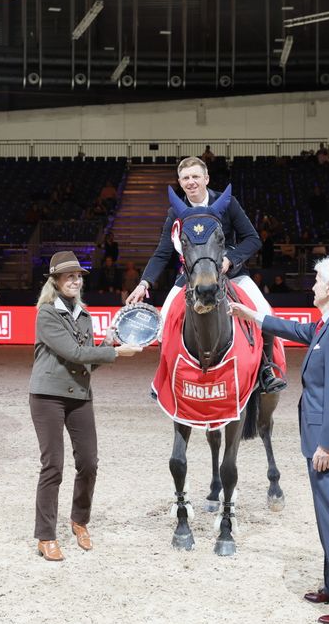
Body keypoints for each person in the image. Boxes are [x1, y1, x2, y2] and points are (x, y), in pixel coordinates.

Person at [229, 255, 329, 624]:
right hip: (321, 437)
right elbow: (295, 330)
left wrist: (327, 444)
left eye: (315, 280)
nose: (311, 286)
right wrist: (252, 316)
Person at [125, 156, 285, 392]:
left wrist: (230, 260)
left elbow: (252, 239)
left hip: (232, 275)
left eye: (195, 176)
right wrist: (143, 283)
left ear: (206, 178)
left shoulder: (227, 202)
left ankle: (266, 369)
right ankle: (164, 376)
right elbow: (162, 253)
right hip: (191, 278)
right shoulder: (175, 212)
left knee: (262, 310)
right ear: (180, 182)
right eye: (186, 178)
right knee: (165, 321)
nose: (191, 182)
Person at [29, 251, 142, 562]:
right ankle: (46, 536)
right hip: (48, 397)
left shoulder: (85, 316)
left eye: (78, 276)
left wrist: (105, 347)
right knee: (53, 466)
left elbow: (86, 364)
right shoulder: (47, 314)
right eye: (69, 276)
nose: (75, 280)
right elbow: (75, 353)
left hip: (79, 395)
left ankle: (79, 521)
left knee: (89, 462)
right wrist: (117, 354)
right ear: (55, 281)